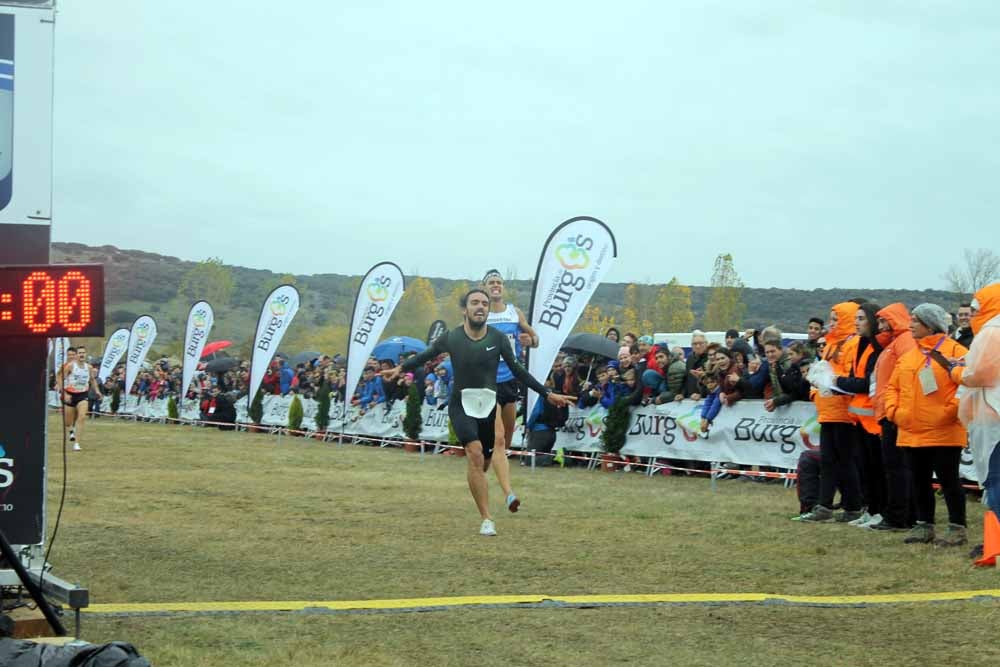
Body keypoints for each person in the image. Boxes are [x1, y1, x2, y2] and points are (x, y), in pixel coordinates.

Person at [384, 289, 574, 536]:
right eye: (475, 303)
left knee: (483, 461)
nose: (480, 307)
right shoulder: (452, 337)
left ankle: (481, 482)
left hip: (487, 405)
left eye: (484, 303)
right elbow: (425, 356)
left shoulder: (498, 339)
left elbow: (518, 370)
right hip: (461, 404)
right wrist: (400, 368)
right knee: (474, 454)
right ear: (465, 309)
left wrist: (547, 393)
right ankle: (487, 518)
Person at [884, 303, 969, 546]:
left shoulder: (957, 352)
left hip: (944, 431)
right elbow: (893, 387)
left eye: (915, 321)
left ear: (930, 325)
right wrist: (894, 412)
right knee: (919, 480)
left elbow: (963, 388)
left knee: (949, 480)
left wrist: (947, 413)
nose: (910, 325)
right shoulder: (909, 356)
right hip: (910, 431)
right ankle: (924, 526)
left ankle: (957, 528)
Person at [800, 302, 864, 523]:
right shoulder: (828, 344)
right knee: (828, 460)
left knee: (845, 462)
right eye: (832, 318)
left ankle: (853, 506)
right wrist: (814, 391)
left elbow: (851, 374)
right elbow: (820, 372)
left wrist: (830, 383)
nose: (831, 323)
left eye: (836, 319)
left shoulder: (854, 343)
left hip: (845, 411)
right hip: (827, 409)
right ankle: (825, 505)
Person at [481, 269, 540, 499]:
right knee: (496, 438)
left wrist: (530, 340)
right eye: (491, 282)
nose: (495, 286)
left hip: (510, 381)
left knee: (505, 439)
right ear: (484, 286)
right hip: (487, 382)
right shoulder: (480, 313)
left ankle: (484, 466)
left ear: (503, 287)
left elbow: (535, 340)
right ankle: (508, 493)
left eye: (499, 282)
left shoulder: (514, 313)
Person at [955, 284, 1000, 549]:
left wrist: (958, 374)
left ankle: (995, 544)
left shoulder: (993, 331)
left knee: (996, 479)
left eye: (976, 308)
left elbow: (981, 373)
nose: (972, 314)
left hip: (994, 417)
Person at [834, 303, 885, 528]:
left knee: (877, 468)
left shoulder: (878, 347)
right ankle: (870, 508)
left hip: (875, 419)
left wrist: (840, 382)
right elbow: (857, 376)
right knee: (864, 467)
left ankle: (880, 510)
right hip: (860, 417)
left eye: (862, 318)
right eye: (855, 318)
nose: (857, 322)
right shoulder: (859, 345)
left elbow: (866, 382)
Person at [868, 303, 917, 532]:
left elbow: (907, 377)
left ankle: (899, 517)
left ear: (892, 320)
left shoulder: (904, 341)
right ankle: (901, 514)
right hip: (888, 411)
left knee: (897, 467)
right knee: (895, 467)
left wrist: (894, 409)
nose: (878, 326)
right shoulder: (894, 343)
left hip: (894, 414)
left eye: (881, 321)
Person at [60, 345, 103, 451]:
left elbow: (92, 380)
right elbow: (61, 379)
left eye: (83, 353)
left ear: (85, 354)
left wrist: (97, 391)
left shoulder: (88, 367)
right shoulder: (70, 366)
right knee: (68, 422)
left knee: (82, 417)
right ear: (76, 355)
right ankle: (71, 430)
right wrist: (64, 393)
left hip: (82, 395)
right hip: (70, 394)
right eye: (80, 353)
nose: (82, 354)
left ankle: (77, 443)